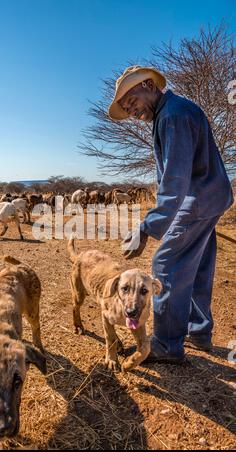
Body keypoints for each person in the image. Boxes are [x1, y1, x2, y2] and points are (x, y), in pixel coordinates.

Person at [108, 65, 234, 363]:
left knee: (165, 265)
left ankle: (165, 343)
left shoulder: (173, 116)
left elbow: (175, 180)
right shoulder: (175, 111)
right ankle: (198, 330)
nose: (130, 109)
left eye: (131, 100)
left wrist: (148, 227)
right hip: (211, 197)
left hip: (197, 200)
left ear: (149, 85)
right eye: (125, 107)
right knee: (198, 265)